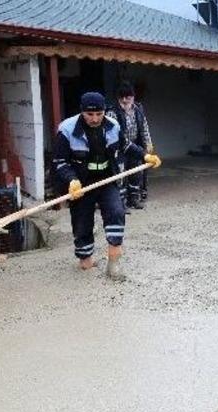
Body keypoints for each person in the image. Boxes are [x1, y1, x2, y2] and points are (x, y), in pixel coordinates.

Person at [52, 92, 160, 281]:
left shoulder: (112, 125)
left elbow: (125, 146)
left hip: (107, 179)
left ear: (104, 111)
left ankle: (113, 263)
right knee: (82, 222)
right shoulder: (67, 130)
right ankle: (85, 259)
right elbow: (60, 162)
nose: (95, 119)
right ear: (82, 111)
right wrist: (71, 180)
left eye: (99, 114)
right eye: (89, 114)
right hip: (81, 184)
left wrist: (144, 156)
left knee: (116, 212)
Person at [106, 82, 154, 210]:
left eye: (127, 97)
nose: (124, 100)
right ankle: (121, 203)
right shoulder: (112, 112)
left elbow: (144, 128)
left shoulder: (138, 110)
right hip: (119, 149)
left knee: (136, 173)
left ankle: (134, 199)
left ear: (133, 97)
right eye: (121, 97)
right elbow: (113, 135)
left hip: (135, 148)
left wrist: (148, 143)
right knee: (120, 175)